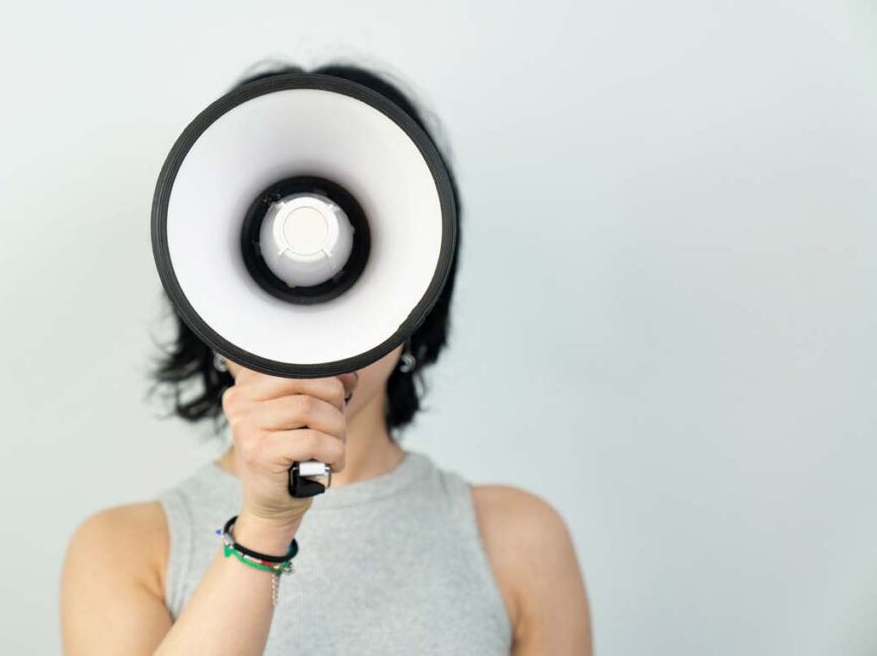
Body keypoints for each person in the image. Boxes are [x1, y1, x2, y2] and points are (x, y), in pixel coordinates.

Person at [59, 61, 593, 655]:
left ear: (419, 309)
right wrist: (264, 530)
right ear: (206, 319)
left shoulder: (517, 539)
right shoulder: (126, 549)